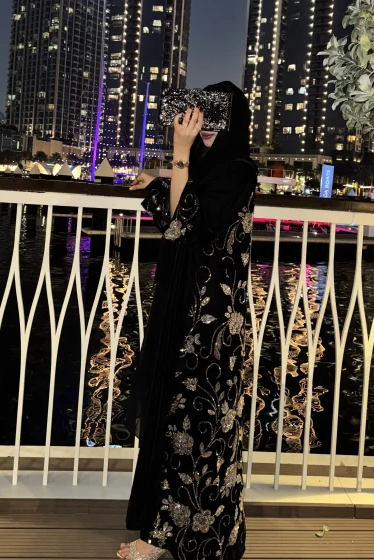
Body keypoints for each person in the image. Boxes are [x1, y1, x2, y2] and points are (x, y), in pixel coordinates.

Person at [117, 82, 258, 560]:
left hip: (211, 325)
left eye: (216, 116)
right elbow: (186, 207)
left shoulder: (240, 171)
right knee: (179, 419)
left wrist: (178, 153)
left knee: (199, 424)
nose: (206, 126)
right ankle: (164, 533)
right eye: (202, 114)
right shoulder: (208, 169)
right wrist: (158, 180)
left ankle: (185, 535)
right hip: (188, 311)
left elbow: (181, 221)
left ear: (234, 122)